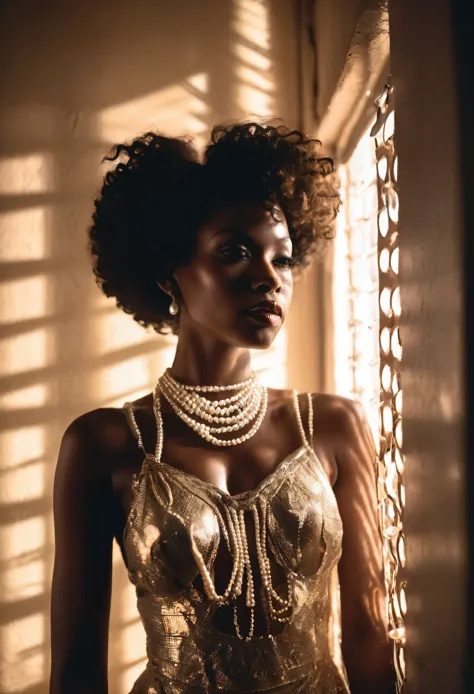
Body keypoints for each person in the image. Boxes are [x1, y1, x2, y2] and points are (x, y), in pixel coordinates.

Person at [50, 123, 395, 694]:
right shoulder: (104, 444)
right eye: (235, 252)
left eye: (282, 260)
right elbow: (77, 671)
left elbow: (370, 639)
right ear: (168, 272)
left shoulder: (334, 426)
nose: (269, 279)